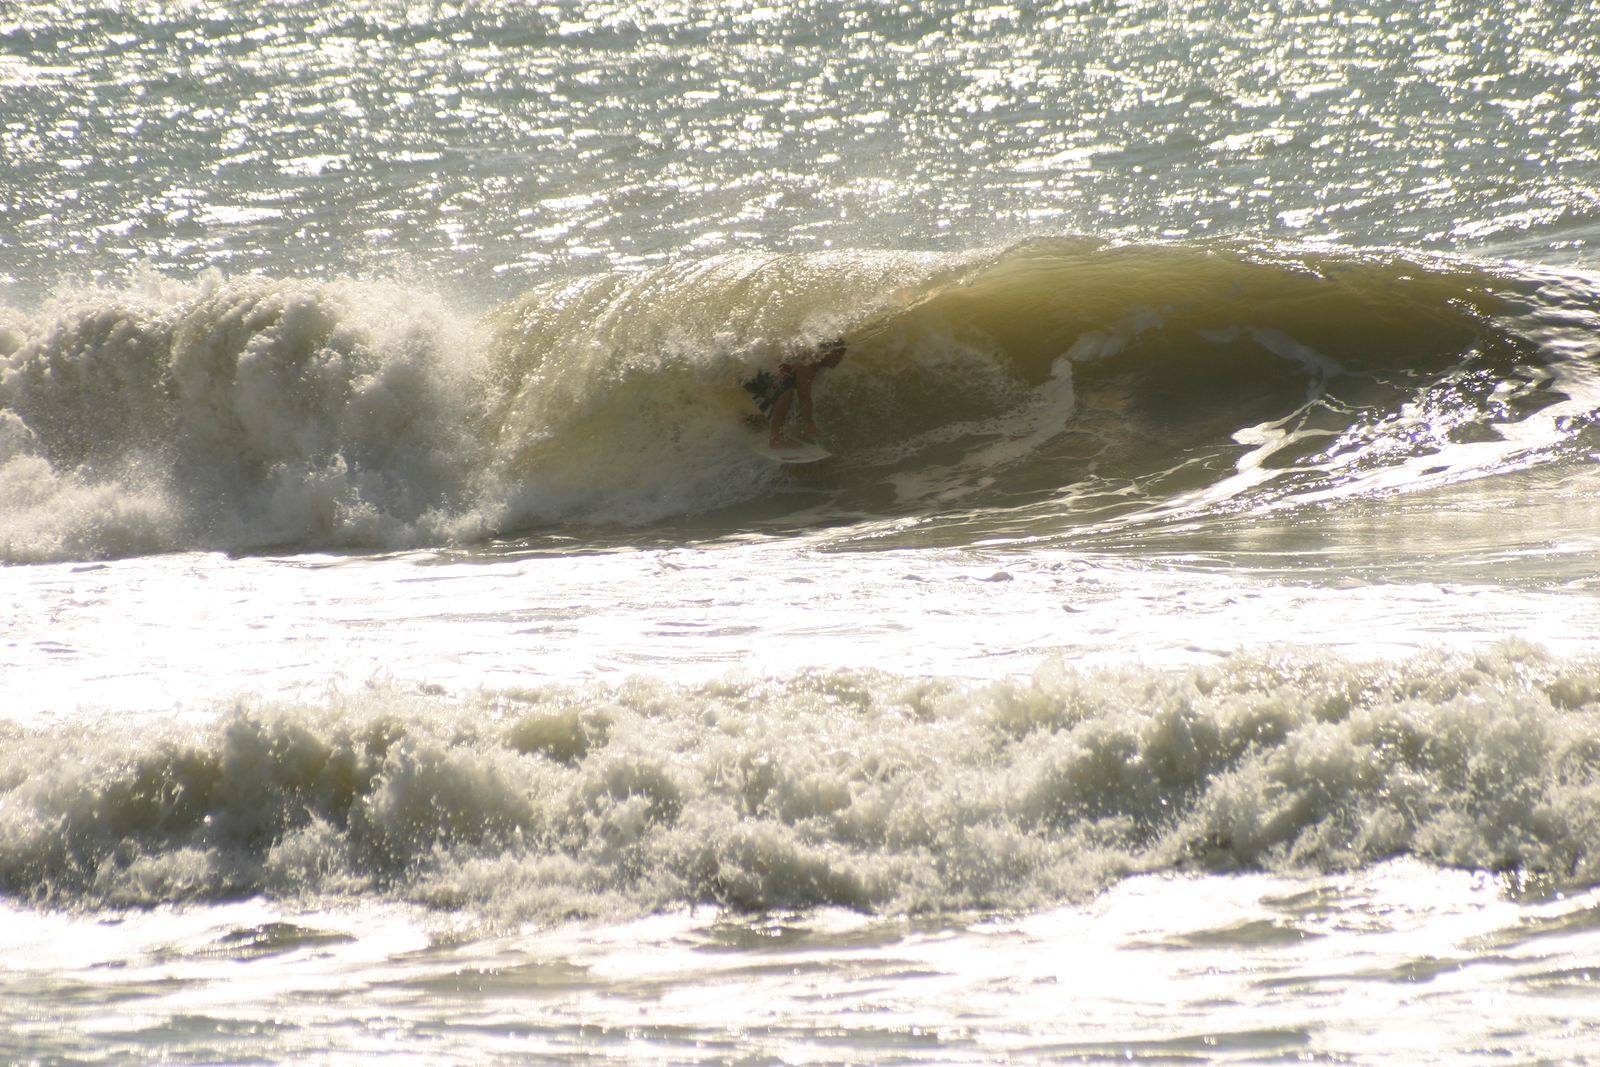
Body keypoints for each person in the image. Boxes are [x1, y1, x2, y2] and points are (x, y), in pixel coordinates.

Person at [743, 339, 846, 448]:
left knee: (793, 413)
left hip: (759, 376)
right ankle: (776, 438)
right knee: (787, 388)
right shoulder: (808, 363)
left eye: (842, 354)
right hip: (751, 374)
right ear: (826, 351)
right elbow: (803, 397)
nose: (840, 358)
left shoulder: (816, 364)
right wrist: (809, 424)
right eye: (838, 353)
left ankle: (752, 422)